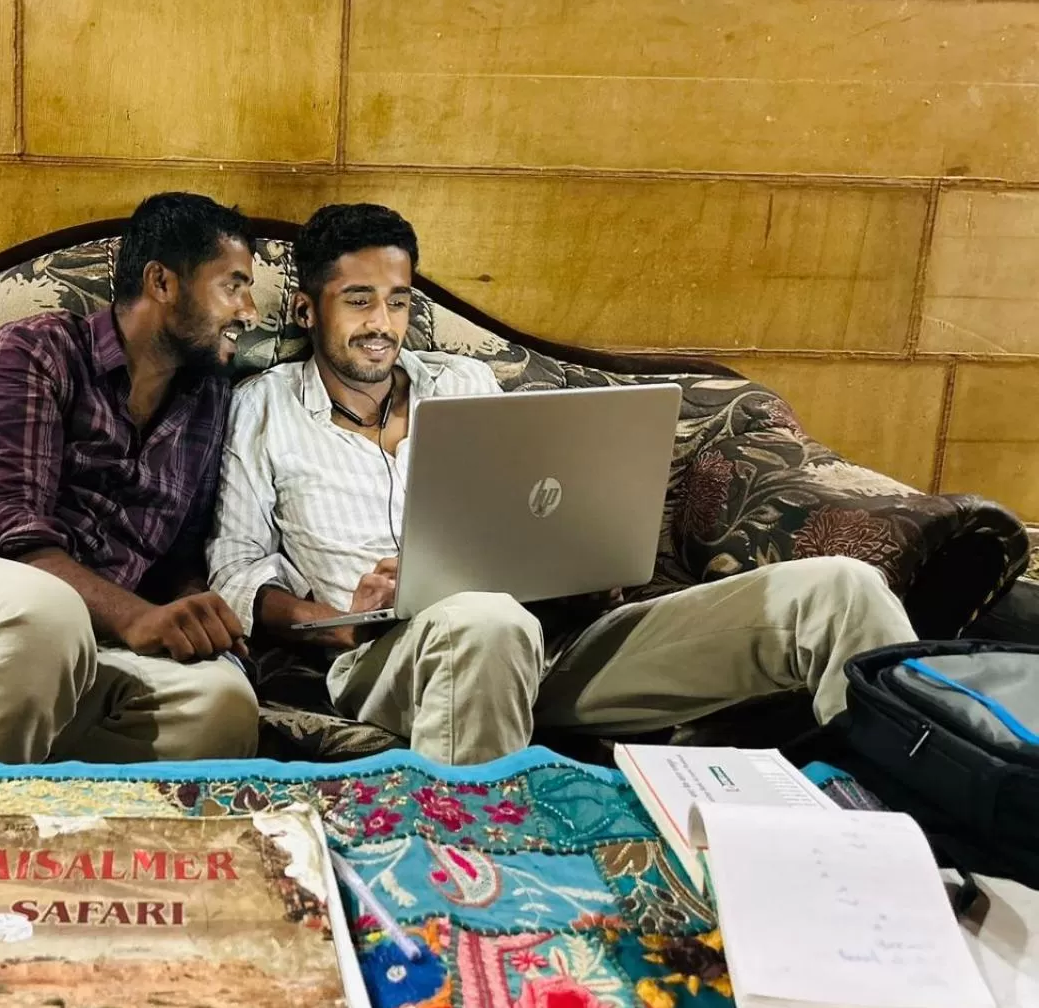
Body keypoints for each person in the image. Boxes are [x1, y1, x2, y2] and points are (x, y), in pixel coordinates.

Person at [207, 203, 919, 766]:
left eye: (396, 302)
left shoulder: (461, 383)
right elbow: (236, 570)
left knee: (839, 589)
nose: (381, 325)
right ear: (308, 310)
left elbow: (533, 501)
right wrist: (334, 619)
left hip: (556, 645)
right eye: (358, 300)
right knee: (487, 622)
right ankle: (477, 891)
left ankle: (917, 835)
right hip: (392, 658)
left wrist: (586, 556)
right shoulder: (263, 406)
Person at [0, 192, 262, 765]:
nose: (250, 311)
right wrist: (136, 617)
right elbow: (2, 530)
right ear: (162, 282)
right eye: (232, 285)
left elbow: (177, 557)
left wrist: (199, 619)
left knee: (221, 704)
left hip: (79, 649)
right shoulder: (34, 351)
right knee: (43, 615)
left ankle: (77, 846)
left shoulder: (207, 400)